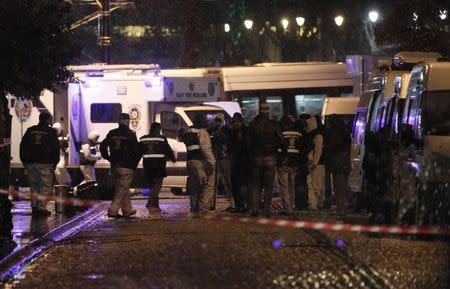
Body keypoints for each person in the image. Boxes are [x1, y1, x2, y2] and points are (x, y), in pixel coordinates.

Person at [246, 103, 286, 217]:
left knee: (256, 185)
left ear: (259, 111)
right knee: (268, 187)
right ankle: (266, 211)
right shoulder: (274, 124)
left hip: (256, 158)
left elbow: (248, 144)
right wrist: (283, 155)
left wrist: (251, 156)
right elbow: (282, 141)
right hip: (270, 158)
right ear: (269, 112)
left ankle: (255, 210)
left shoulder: (253, 125)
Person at [100, 113, 140, 218]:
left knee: (123, 188)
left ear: (119, 122)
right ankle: (112, 210)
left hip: (115, 165)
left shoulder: (112, 133)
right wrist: (134, 164)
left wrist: (108, 157)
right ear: (128, 122)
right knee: (122, 189)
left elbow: (103, 146)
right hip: (127, 166)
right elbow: (136, 151)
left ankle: (127, 210)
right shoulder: (131, 134)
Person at [20, 112, 60, 216]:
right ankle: (41, 208)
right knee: (44, 187)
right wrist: (55, 163)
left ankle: (34, 207)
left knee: (34, 186)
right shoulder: (51, 132)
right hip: (45, 164)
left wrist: (24, 161)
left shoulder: (30, 130)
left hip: (30, 163)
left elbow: (22, 146)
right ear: (47, 120)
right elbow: (56, 148)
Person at [180, 113, 216, 214]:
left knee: (194, 188)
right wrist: (213, 163)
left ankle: (194, 209)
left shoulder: (188, 131)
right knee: (207, 186)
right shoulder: (202, 131)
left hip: (190, 162)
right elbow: (206, 150)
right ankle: (203, 209)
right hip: (201, 163)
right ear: (202, 121)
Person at [139, 122, 176, 213]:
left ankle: (155, 207)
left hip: (147, 166)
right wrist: (173, 158)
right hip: (158, 165)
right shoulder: (162, 139)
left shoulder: (143, 139)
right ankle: (150, 203)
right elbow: (168, 150)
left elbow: (138, 151)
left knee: (152, 186)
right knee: (157, 186)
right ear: (158, 129)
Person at [208, 113, 233, 211]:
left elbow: (229, 143)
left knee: (227, 182)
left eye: (219, 121)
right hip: (214, 159)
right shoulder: (211, 131)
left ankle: (232, 204)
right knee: (213, 183)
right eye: (216, 121)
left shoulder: (227, 131)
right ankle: (211, 205)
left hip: (224, 159)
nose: (217, 123)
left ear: (222, 121)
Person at [326, 115, 351, 216]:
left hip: (337, 164)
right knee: (344, 187)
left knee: (338, 188)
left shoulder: (334, 134)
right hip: (345, 163)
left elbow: (331, 148)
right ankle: (344, 208)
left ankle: (341, 209)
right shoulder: (346, 133)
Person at [277, 114, 301, 215]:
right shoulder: (298, 134)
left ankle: (287, 208)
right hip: (294, 163)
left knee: (284, 186)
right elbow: (300, 148)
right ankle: (292, 206)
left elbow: (279, 148)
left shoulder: (281, 134)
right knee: (292, 186)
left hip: (284, 163)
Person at [229, 112, 248, 212]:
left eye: (237, 122)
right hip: (235, 162)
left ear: (241, 122)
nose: (235, 124)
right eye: (234, 122)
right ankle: (239, 205)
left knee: (242, 184)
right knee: (235, 184)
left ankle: (244, 205)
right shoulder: (233, 132)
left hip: (243, 162)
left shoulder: (245, 131)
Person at [306, 116, 325, 210]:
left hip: (317, 164)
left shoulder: (317, 136)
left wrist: (314, 162)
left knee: (317, 185)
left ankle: (317, 203)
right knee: (314, 185)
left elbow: (318, 151)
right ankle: (315, 203)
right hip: (315, 164)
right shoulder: (314, 135)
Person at [294, 114, 312, 210]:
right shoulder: (307, 134)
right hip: (304, 161)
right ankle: (304, 204)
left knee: (298, 183)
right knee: (303, 183)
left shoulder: (296, 135)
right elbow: (309, 146)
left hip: (297, 161)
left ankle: (298, 204)